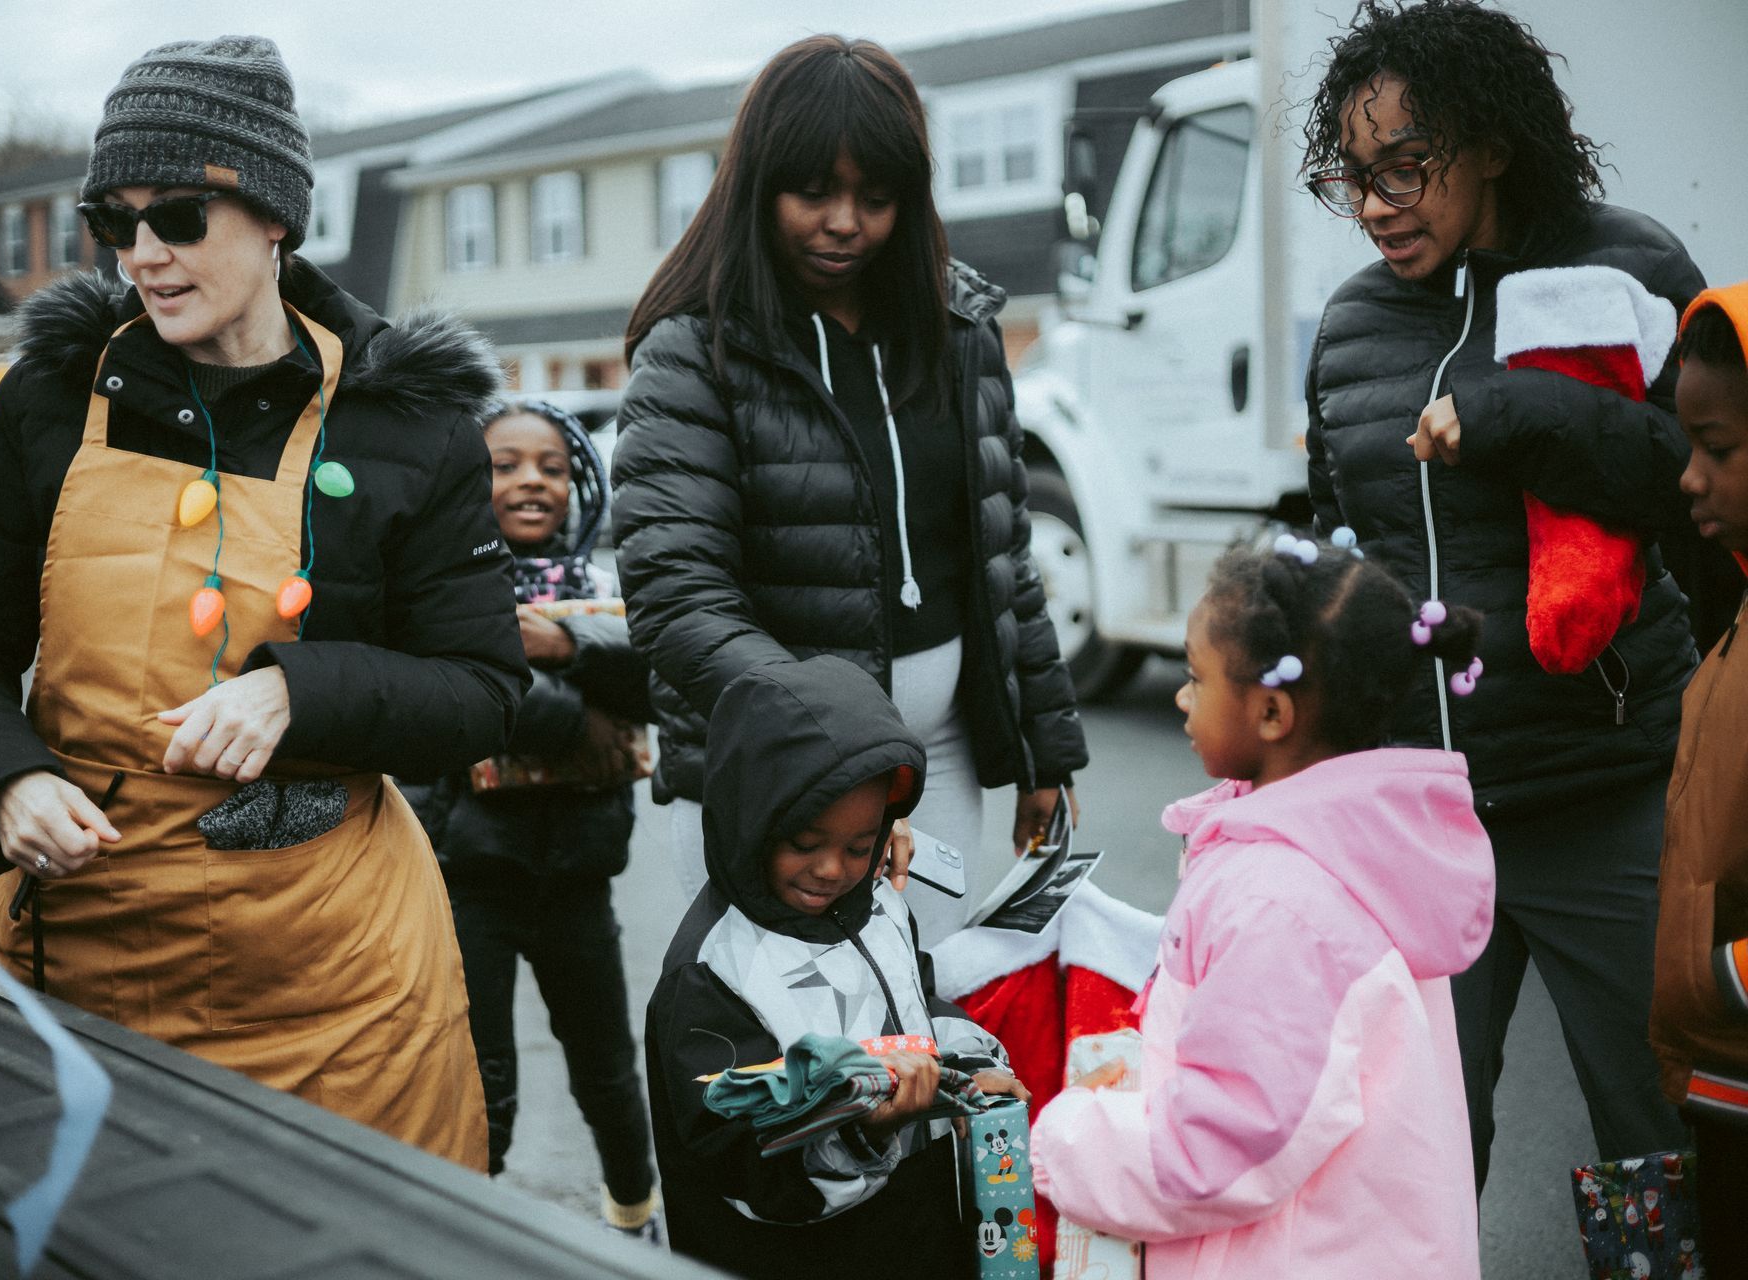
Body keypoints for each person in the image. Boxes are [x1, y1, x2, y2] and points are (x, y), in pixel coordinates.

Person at [0, 36, 528, 1169]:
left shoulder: (406, 421)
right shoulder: (49, 397)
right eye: (115, 222)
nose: (144, 254)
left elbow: (480, 692)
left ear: (275, 214)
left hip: (338, 998)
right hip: (78, 967)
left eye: (180, 216)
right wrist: (4, 779)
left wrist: (301, 689)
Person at [1297, 0, 1703, 1188]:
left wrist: (1526, 417)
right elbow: (1350, 540)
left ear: (1492, 141)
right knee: (1413, 1156)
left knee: (1656, 1141)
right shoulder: (1352, 326)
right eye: (1353, 177)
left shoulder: (1629, 265)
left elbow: (1704, 483)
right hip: (1424, 817)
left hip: (1609, 788)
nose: (1376, 204)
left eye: (1406, 167)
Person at [613, 35, 1088, 944]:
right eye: (814, 192)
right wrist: (834, 761)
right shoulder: (694, 351)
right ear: (758, 185)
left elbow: (1004, 561)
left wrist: (1043, 756)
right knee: (795, 1069)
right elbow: (677, 595)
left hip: (936, 764)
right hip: (775, 785)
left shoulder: (960, 333)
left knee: (915, 1045)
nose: (845, 222)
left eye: (876, 197)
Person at [1032, 539, 1492, 1277]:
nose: (1182, 697)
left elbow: (1221, 1150)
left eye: (1196, 677)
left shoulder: (1282, 904)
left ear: (1272, 711)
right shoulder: (1351, 851)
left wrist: (1063, 1139)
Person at [646, 655, 1026, 1279]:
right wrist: (868, 1130)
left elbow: (916, 1004)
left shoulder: (876, 902)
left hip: (913, 1230)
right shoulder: (711, 973)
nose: (832, 869)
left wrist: (970, 1069)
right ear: (751, 819)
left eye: (859, 845)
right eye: (804, 843)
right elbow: (740, 1163)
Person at [401, 399, 660, 1238]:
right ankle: (480, 1229)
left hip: (581, 875)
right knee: (484, 1076)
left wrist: (565, 648)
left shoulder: (605, 590)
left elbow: (658, 686)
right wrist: (585, 718)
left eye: (550, 466)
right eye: (504, 464)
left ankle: (634, 1214)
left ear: (579, 479)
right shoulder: (443, 588)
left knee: (608, 1071)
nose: (530, 481)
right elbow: (473, 710)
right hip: (474, 872)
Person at [1650, 284, 1748, 1271]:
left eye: (1717, 451)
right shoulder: (1738, 615)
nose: (1689, 479)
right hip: (1724, 1081)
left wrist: (1720, 975)